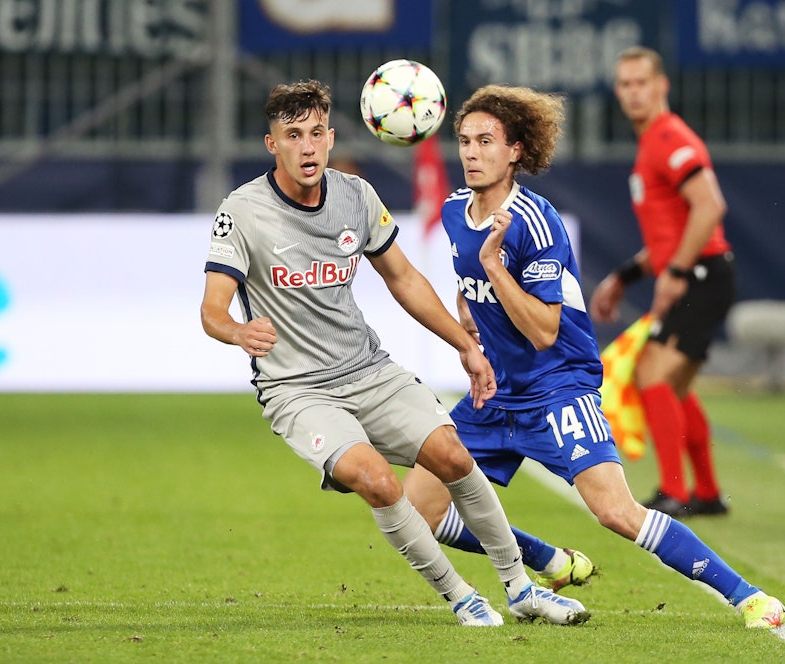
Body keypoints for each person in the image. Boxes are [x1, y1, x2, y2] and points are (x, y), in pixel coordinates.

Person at [199, 79, 590, 627]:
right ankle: (461, 596)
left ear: (331, 138)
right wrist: (238, 333)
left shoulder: (355, 196)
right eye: (293, 135)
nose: (307, 147)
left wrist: (466, 346)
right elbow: (212, 310)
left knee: (455, 457)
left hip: (369, 372)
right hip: (297, 390)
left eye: (316, 133)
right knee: (379, 481)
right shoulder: (242, 211)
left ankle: (521, 589)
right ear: (273, 144)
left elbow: (404, 279)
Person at [402, 84, 785, 629]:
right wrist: (469, 313)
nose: (471, 152)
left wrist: (493, 267)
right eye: (464, 140)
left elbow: (543, 331)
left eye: (486, 141)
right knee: (419, 509)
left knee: (616, 513)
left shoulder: (535, 221)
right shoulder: (453, 211)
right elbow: (469, 281)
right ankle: (549, 561)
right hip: (496, 395)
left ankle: (749, 597)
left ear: (515, 150)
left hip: (558, 385)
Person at [590, 46, 734, 518]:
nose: (633, 92)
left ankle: (675, 491)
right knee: (673, 386)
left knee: (651, 374)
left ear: (661, 85)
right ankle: (707, 492)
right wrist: (625, 276)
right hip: (701, 272)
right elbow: (671, 237)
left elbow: (709, 207)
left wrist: (676, 273)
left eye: (641, 83)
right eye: (625, 84)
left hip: (701, 276)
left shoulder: (669, 137)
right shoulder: (653, 142)